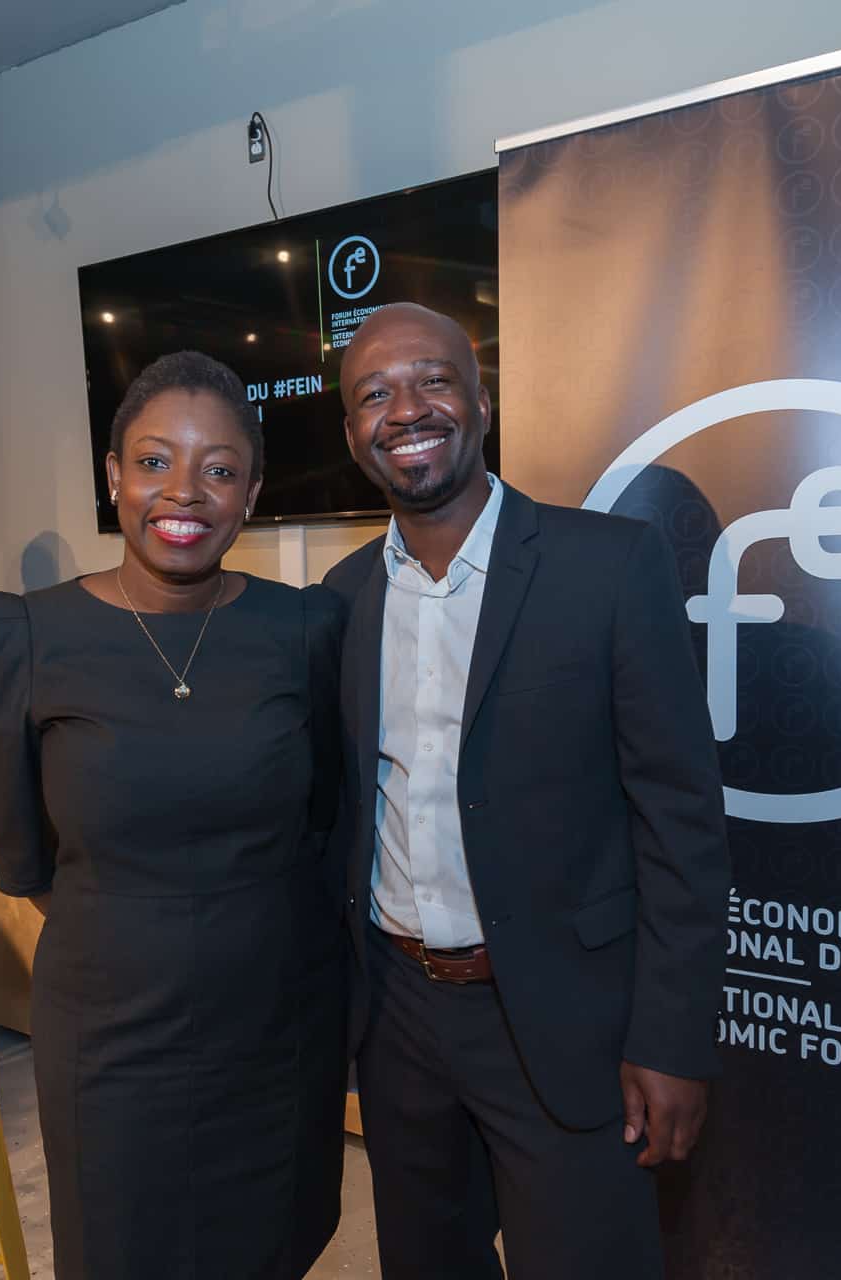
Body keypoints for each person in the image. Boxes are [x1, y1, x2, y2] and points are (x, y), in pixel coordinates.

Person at [323, 303, 730, 1279]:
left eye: (432, 380)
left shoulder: (608, 566)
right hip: (398, 1022)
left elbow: (679, 821)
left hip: (566, 1022)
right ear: (351, 433)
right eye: (374, 394)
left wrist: (672, 1038)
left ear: (482, 399)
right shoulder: (337, 600)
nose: (405, 410)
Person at [0, 351, 346, 1280]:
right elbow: (27, 862)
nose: (184, 492)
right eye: (154, 461)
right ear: (114, 476)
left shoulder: (303, 633)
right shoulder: (28, 637)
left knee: (264, 1245)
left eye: (220, 469)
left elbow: (323, 825)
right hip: (110, 1040)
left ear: (250, 495)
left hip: (273, 1028)